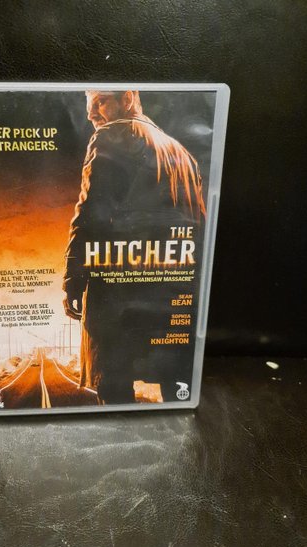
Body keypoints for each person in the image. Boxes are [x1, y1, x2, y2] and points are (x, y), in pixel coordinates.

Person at [63, 90, 205, 404]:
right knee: (176, 386)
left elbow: (91, 213)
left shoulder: (111, 135)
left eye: (100, 102)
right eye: (89, 107)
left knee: (114, 384)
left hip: (120, 292)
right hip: (173, 290)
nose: (91, 114)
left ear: (127, 98)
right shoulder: (182, 154)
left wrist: (73, 278)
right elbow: (200, 227)